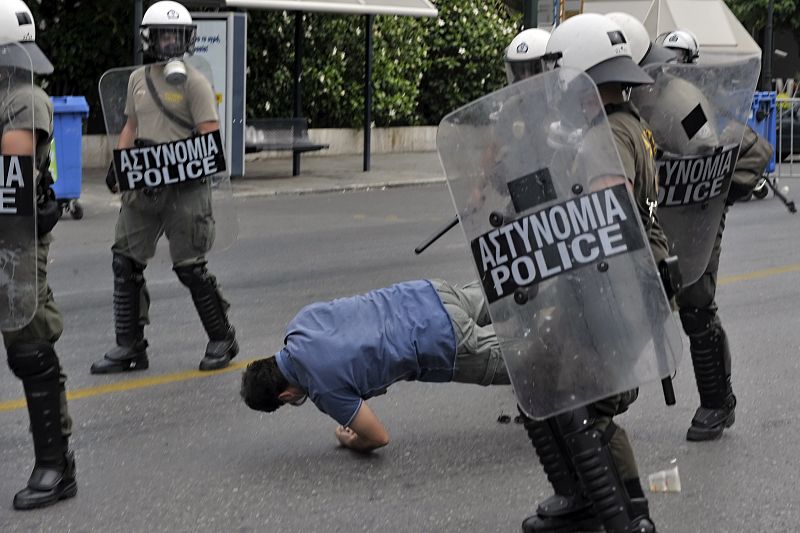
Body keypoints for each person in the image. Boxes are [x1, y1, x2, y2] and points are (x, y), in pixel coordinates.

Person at [517, 14, 670, 533]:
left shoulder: (605, 138)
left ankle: (630, 516)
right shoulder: (625, 125)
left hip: (612, 289)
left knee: (588, 403)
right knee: (540, 380)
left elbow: (604, 221)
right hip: (613, 285)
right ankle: (580, 498)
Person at [91, 0, 238, 374]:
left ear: (187, 40)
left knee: (190, 267)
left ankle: (223, 336)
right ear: (149, 39)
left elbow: (209, 139)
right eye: (164, 35)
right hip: (143, 186)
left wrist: (174, 165)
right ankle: (131, 346)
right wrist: (119, 164)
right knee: (125, 261)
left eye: (177, 35)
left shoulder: (195, 82)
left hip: (185, 189)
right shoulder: (138, 79)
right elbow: (130, 126)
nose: (170, 42)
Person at [650, 27, 773, 441]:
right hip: (663, 211)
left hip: (697, 212)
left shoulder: (687, 101)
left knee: (697, 303)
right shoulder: (648, 95)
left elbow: (703, 147)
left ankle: (718, 402)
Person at [241, 279, 510, 452]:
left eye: (290, 401)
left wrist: (351, 439)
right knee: (515, 289)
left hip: (440, 338)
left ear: (285, 395)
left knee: (533, 359)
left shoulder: (323, 389)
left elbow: (378, 437)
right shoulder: (300, 323)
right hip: (429, 293)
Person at [0, 0, 77, 510]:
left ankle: (56, 463)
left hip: (14, 240)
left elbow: (12, 178)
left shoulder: (25, 100)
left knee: (28, 343)